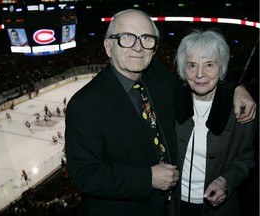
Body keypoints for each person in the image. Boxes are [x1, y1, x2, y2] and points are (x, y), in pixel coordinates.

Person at [65, 9, 256, 216]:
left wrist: (236, 89)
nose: (138, 47)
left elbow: (199, 80)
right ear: (108, 46)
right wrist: (147, 178)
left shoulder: (159, 76)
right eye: (126, 37)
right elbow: (85, 175)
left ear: (154, 48)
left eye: (146, 38)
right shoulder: (84, 104)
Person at [173, 29, 257, 216]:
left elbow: (245, 159)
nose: (200, 74)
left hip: (218, 210)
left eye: (209, 65)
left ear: (221, 67)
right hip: (173, 207)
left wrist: (225, 182)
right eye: (192, 65)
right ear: (183, 69)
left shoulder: (241, 110)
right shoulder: (171, 103)